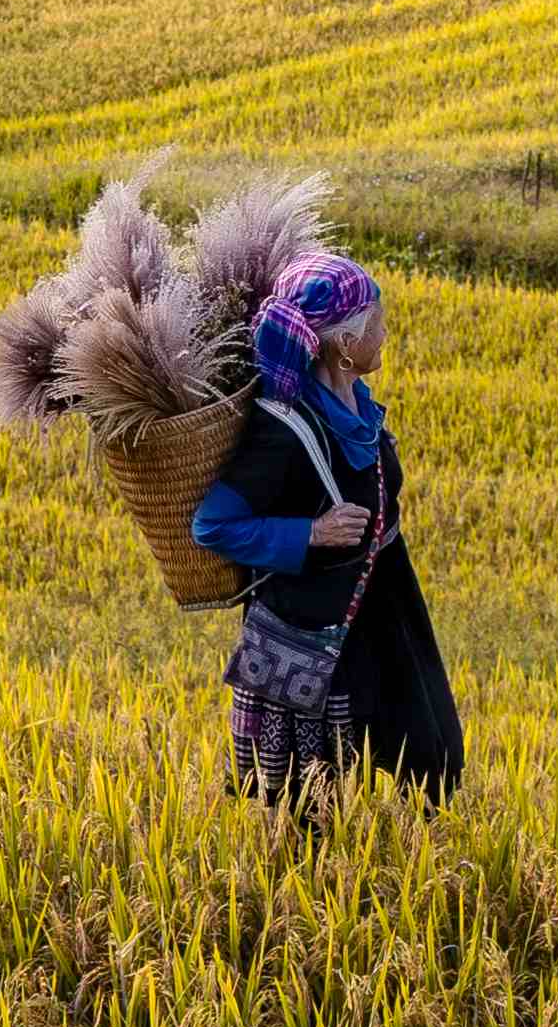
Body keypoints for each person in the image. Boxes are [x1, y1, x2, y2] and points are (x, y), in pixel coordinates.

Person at [187, 249, 461, 806]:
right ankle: (311, 884)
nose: (385, 334)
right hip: (314, 625)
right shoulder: (281, 429)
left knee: (432, 757)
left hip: (386, 606)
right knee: (310, 793)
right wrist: (312, 533)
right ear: (343, 344)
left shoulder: (358, 405)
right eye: (376, 322)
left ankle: (409, 861)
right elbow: (212, 525)